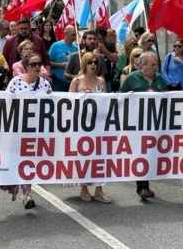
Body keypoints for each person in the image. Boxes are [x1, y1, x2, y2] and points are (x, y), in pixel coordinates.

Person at [2, 53, 52, 209]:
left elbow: (53, 105)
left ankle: (25, 191)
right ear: (26, 66)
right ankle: (25, 192)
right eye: (33, 64)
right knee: (19, 160)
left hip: (37, 130)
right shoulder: (15, 83)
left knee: (30, 161)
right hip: (18, 130)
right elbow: (6, 105)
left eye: (39, 64)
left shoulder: (45, 84)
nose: (37, 67)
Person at [120, 52, 166, 200]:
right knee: (141, 154)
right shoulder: (132, 79)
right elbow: (120, 98)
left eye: (156, 65)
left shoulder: (160, 79)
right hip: (137, 124)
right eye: (152, 65)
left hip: (155, 124)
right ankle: (142, 187)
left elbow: (167, 98)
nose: (155, 68)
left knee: (150, 154)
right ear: (142, 66)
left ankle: (145, 185)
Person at [69, 52, 111, 203]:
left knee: (100, 157)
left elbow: (106, 102)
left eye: (95, 62)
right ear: (84, 64)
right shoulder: (76, 81)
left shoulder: (101, 81)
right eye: (90, 62)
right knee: (83, 157)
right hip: (81, 125)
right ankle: (84, 188)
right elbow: (68, 103)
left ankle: (99, 190)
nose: (93, 65)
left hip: (98, 124)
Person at [48, 25, 78, 91]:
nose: (75, 37)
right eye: (73, 35)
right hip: (57, 80)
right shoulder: (55, 46)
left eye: (75, 35)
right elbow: (47, 62)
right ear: (66, 34)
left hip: (71, 81)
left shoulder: (76, 48)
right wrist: (61, 65)